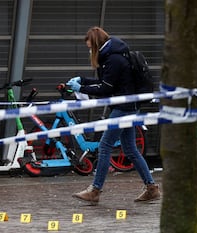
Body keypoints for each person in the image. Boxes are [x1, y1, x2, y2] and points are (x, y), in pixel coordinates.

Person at [68, 26, 160, 205]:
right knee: (131, 150)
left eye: (90, 47)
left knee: (104, 146)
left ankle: (95, 190)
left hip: (123, 108)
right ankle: (151, 188)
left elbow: (105, 88)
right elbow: (108, 83)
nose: (89, 51)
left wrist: (81, 88)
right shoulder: (113, 55)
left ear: (95, 44)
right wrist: (83, 80)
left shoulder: (114, 59)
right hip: (127, 106)